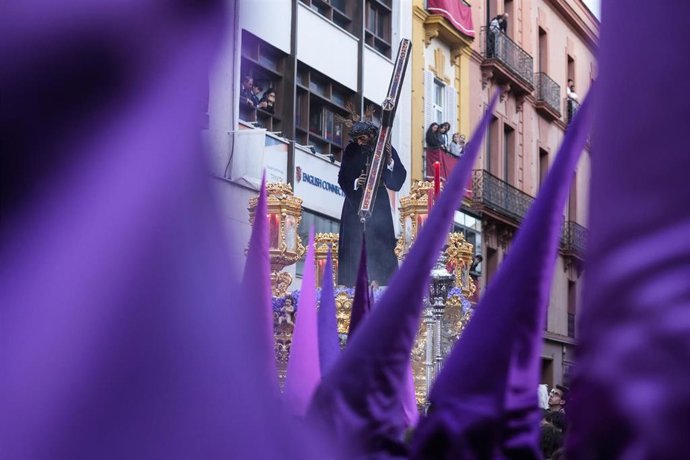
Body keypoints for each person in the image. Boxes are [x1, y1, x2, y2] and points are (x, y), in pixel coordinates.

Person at [337, 121, 407, 287]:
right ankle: (351, 283)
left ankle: (381, 280)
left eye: (362, 138)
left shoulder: (385, 149)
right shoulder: (351, 150)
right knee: (352, 241)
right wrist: (356, 182)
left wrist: (390, 161)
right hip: (354, 203)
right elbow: (342, 177)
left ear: (372, 135)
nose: (360, 142)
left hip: (379, 203)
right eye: (357, 139)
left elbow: (396, 182)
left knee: (381, 241)